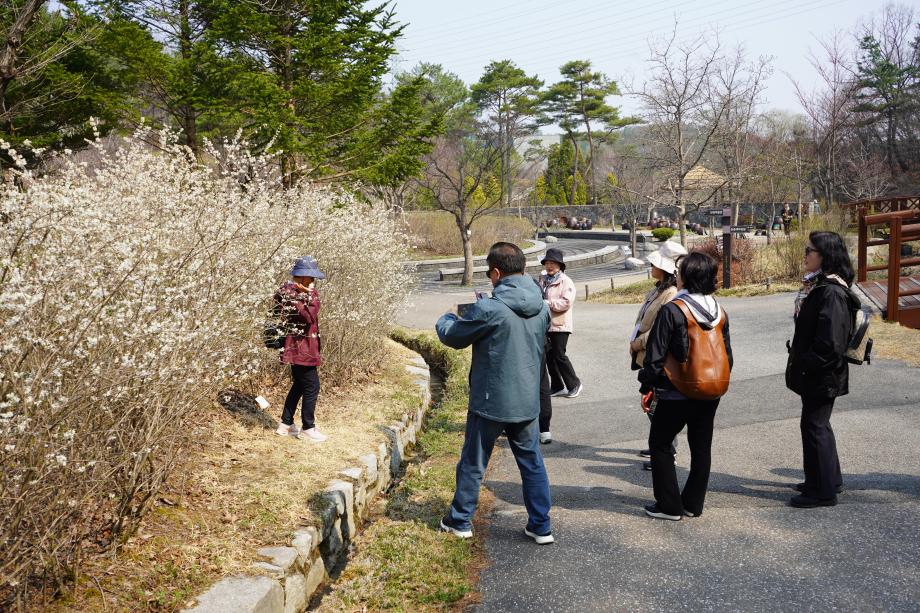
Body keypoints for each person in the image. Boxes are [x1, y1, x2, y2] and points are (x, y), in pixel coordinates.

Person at [436, 242, 554, 545]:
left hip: (490, 400)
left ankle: (460, 520)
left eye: (490, 274)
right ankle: (541, 526)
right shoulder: (542, 307)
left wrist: (447, 317)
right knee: (532, 463)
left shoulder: (489, 308)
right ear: (524, 269)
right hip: (527, 399)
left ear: (497, 273)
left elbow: (453, 336)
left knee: (473, 463)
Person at [638, 252, 733, 521]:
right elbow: (727, 355)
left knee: (660, 444)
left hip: (675, 390)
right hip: (710, 389)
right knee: (701, 447)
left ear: (686, 277)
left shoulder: (673, 309)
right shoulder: (719, 311)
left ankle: (669, 506)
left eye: (679, 272)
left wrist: (647, 386)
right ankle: (693, 503)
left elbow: (655, 356)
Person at [786, 231, 859, 508]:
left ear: (825, 256)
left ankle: (822, 491)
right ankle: (826, 480)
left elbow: (830, 344)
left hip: (822, 373)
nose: (805, 254)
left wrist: (806, 361)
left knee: (815, 426)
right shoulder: (823, 286)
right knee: (818, 425)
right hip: (820, 372)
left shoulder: (831, 292)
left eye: (810, 250)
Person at [629, 241, 687, 470]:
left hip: (655, 355)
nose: (651, 266)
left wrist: (638, 343)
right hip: (646, 353)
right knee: (652, 403)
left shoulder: (670, 293)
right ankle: (660, 445)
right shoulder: (658, 289)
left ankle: (666, 451)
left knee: (656, 405)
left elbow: (660, 330)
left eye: (655, 263)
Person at [273, 256, 327, 442]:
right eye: (310, 278)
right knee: (312, 386)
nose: (313, 282)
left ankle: (286, 424)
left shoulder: (294, 293)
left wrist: (308, 295)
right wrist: (310, 296)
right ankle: (308, 428)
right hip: (301, 348)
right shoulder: (292, 295)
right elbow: (308, 317)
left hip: (300, 347)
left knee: (299, 385)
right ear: (302, 277)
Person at [538, 248, 584, 399]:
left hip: (560, 325)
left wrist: (548, 303)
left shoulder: (566, 281)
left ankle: (574, 384)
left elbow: (566, 302)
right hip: (546, 324)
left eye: (553, 263)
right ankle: (557, 386)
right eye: (547, 263)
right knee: (549, 356)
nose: (549, 266)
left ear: (560, 265)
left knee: (559, 355)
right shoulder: (543, 280)